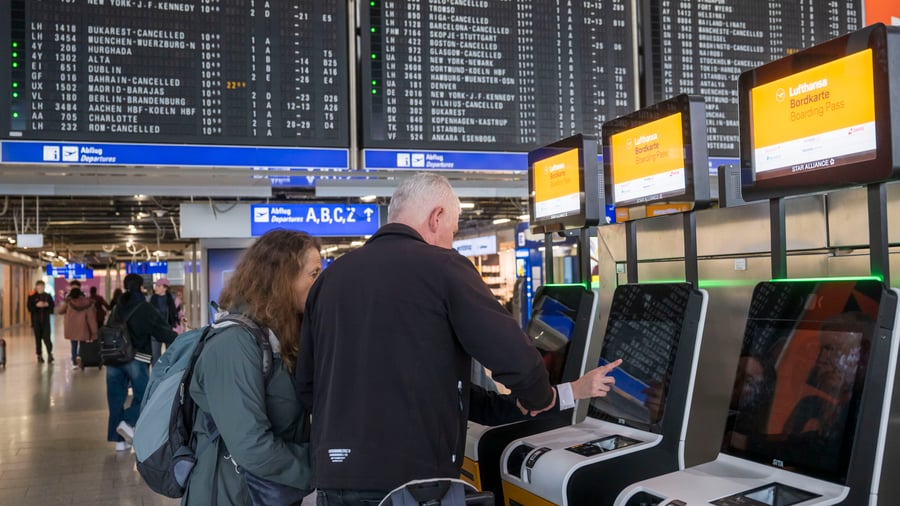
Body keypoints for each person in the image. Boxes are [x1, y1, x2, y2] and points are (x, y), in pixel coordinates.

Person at [296, 172, 621, 502]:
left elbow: (308, 385)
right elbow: (516, 361)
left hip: (334, 481)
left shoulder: (329, 280)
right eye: (452, 231)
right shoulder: (443, 267)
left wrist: (568, 393)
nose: (451, 242)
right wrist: (543, 398)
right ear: (436, 217)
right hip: (413, 483)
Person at [183, 229, 318, 505]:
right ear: (281, 278)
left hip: (270, 492)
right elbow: (251, 446)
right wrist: (324, 468)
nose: (321, 282)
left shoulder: (280, 337)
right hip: (231, 496)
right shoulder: (233, 344)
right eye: (314, 274)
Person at [107, 274, 178, 453]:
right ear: (140, 287)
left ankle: (119, 441)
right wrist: (179, 339)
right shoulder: (144, 307)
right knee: (144, 397)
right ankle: (126, 421)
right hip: (136, 358)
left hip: (113, 357)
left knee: (115, 399)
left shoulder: (117, 307)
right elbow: (161, 330)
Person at [56, 280, 96, 369]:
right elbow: (91, 318)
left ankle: (74, 361)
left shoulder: (68, 301)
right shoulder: (86, 301)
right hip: (83, 327)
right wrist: (94, 331)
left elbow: (60, 311)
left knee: (73, 344)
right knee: (82, 345)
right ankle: (79, 357)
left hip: (72, 327)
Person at [149, 278, 179, 365]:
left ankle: (169, 372)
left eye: (158, 286)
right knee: (155, 356)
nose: (156, 288)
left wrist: (181, 320)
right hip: (155, 331)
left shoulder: (174, 299)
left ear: (165, 288)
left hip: (169, 330)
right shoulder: (152, 299)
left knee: (171, 356)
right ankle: (156, 372)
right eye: (156, 286)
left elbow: (179, 313)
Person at [26, 280, 55, 363]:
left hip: (45, 321)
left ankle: (50, 353)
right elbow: (29, 308)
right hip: (36, 321)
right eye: (39, 287)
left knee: (47, 338)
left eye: (42, 286)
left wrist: (47, 305)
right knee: (38, 338)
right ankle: (39, 355)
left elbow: (52, 306)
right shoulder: (32, 297)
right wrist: (36, 305)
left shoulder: (48, 296)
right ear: (36, 287)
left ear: (44, 287)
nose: (40, 288)